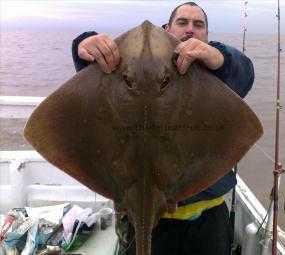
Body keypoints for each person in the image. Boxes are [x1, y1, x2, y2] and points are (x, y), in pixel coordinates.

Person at [71, 2, 254, 255]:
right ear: (167, 29)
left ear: (207, 37)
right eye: (182, 22)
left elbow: (243, 75)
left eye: (198, 24)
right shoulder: (129, 63)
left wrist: (219, 58)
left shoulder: (215, 69)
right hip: (143, 214)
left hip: (209, 218)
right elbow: (88, 74)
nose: (190, 29)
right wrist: (83, 44)